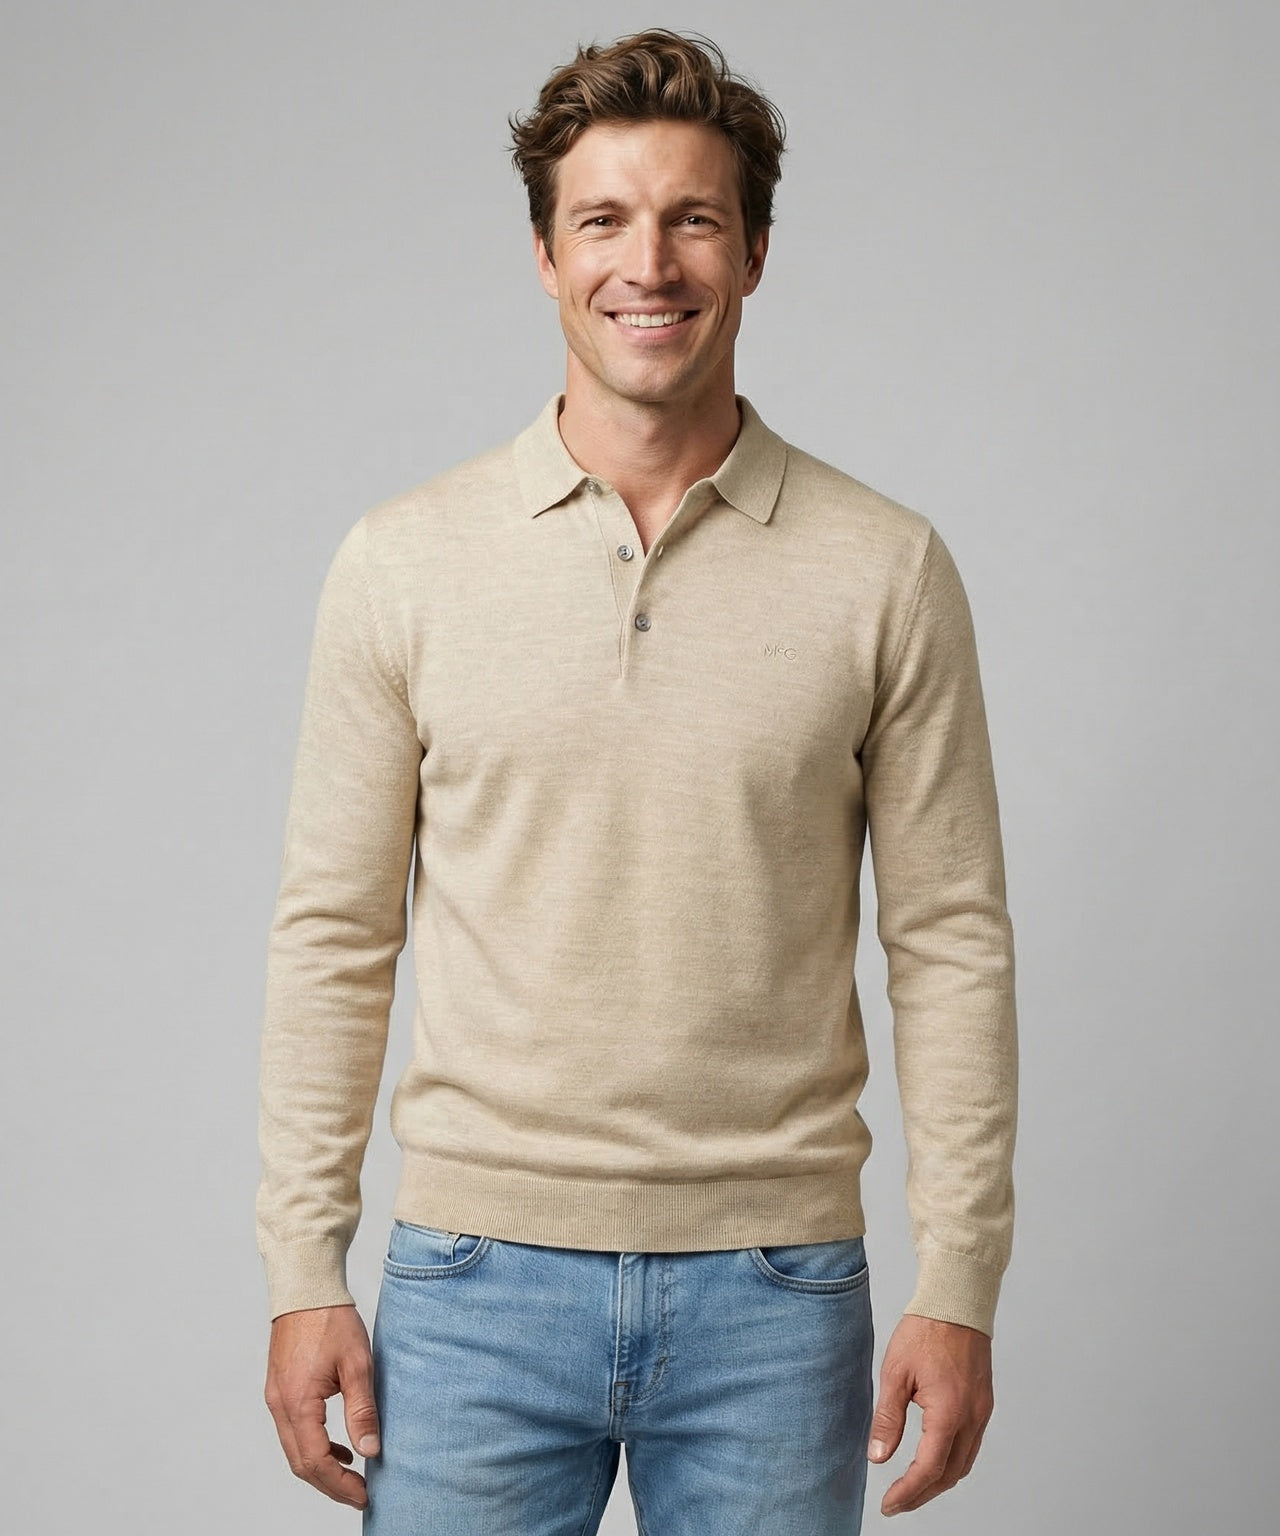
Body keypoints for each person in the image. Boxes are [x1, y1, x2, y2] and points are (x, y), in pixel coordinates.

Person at [257, 28, 1018, 1535]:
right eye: (602, 220)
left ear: (755, 254)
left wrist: (962, 1282)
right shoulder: (404, 563)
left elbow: (950, 942)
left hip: (778, 1296)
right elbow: (333, 934)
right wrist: (301, 1270)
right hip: (470, 1286)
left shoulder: (886, 569)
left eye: (694, 220)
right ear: (546, 256)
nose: (648, 264)